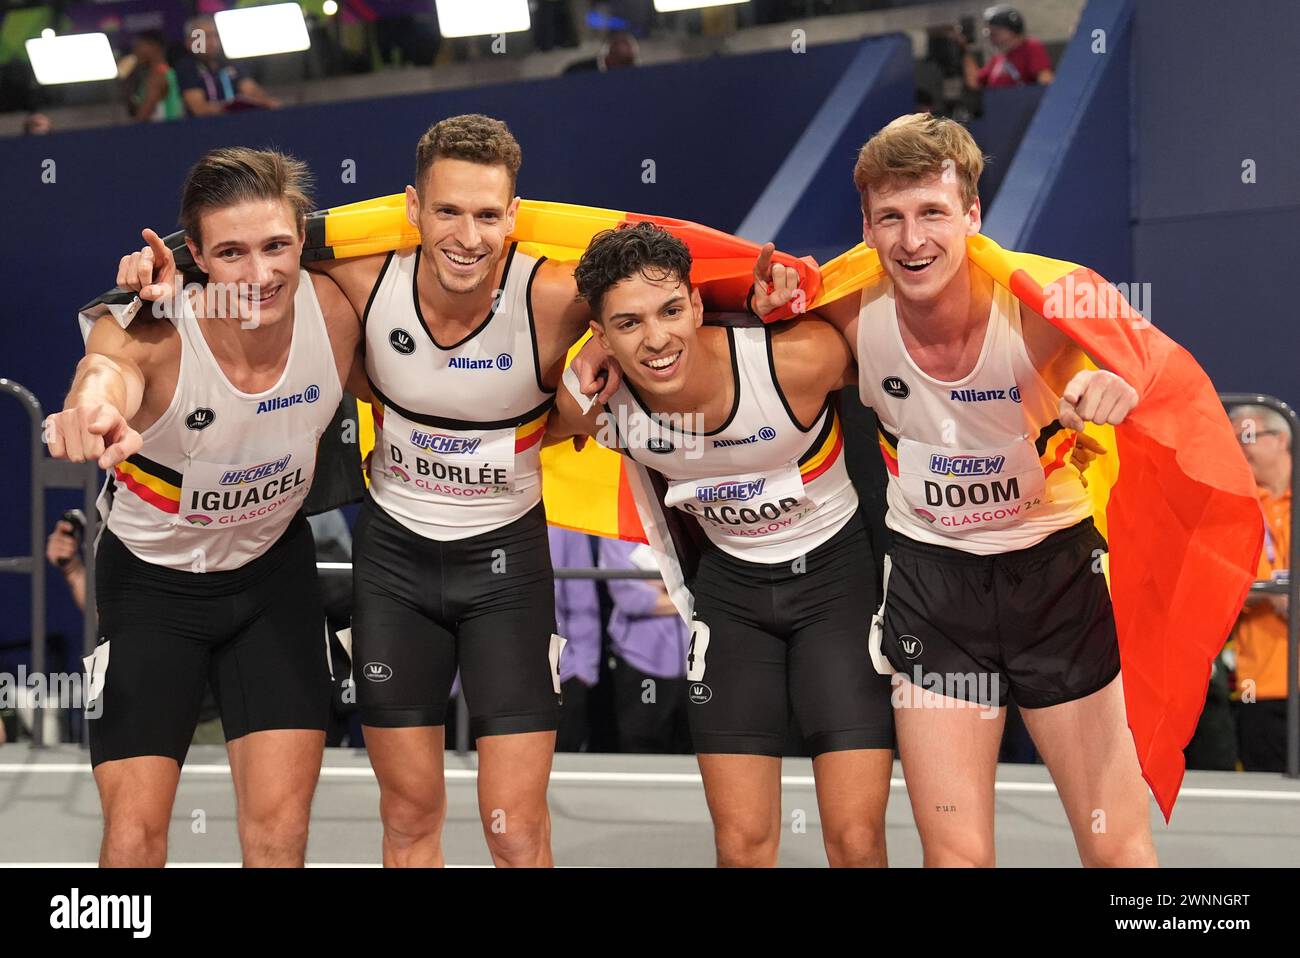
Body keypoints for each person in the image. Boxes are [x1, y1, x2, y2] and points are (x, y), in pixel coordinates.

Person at [753, 113, 1156, 867]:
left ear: (973, 216)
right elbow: (716, 326)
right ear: (866, 228)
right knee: (955, 858)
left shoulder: (1045, 310)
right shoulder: (844, 310)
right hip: (933, 589)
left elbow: (1154, 375)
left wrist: (1115, 382)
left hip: (1056, 580)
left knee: (1115, 850)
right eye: (891, 219)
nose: (913, 241)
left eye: (933, 213)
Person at [48, 147, 361, 867]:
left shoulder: (338, 309)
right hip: (152, 592)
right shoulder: (153, 330)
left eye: (278, 245)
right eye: (232, 252)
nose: (260, 274)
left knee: (279, 841)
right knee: (133, 844)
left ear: (303, 237)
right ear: (196, 256)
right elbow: (102, 372)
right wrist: (88, 409)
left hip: (271, 582)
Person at [548, 223, 895, 867]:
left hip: (837, 593)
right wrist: (576, 371)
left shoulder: (798, 360)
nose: (657, 340)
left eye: (672, 310)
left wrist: (776, 308)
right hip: (731, 601)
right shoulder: (601, 406)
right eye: (628, 324)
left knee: (855, 841)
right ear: (599, 335)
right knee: (741, 846)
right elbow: (532, 425)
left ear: (699, 304)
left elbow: (910, 368)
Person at [311, 114, 604, 868]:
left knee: (514, 829)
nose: (467, 236)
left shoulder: (557, 298)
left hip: (506, 568)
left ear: (513, 215)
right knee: (409, 817)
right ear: (412, 208)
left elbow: (686, 286)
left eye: (485, 215)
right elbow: (247, 262)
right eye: (447, 211)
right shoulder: (361, 283)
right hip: (394, 567)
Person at [1227, 404, 1293, 772]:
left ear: (1281, 439)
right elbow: (1217, 587)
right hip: (1261, 688)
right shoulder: (1234, 506)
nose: (1238, 448)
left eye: (1246, 437)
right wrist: (1272, 593)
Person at [599, 537, 692, 754]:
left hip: (700, 663)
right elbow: (630, 597)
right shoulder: (616, 528)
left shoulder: (687, 520)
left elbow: (711, 583)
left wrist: (662, 587)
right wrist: (682, 588)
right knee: (642, 750)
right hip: (640, 664)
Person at [549, 527, 602, 751]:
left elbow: (582, 597)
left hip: (562, 672)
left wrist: (583, 670)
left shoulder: (563, 521)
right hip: (488, 674)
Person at [175, 17, 279, 117]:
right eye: (204, 36)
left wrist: (267, 102)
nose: (212, 41)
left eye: (215, 35)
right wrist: (229, 107)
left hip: (239, 122)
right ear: (189, 42)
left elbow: (251, 89)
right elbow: (199, 109)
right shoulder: (186, 68)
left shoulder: (229, 63)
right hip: (205, 128)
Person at [962, 5, 1054, 90]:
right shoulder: (998, 59)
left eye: (996, 31)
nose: (991, 35)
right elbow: (974, 82)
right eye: (990, 31)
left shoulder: (1030, 47)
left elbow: (1045, 81)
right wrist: (964, 49)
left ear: (1012, 30)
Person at [123, 30, 183, 123]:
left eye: (139, 46)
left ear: (154, 46)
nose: (135, 51)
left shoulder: (157, 77)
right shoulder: (168, 72)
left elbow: (142, 117)